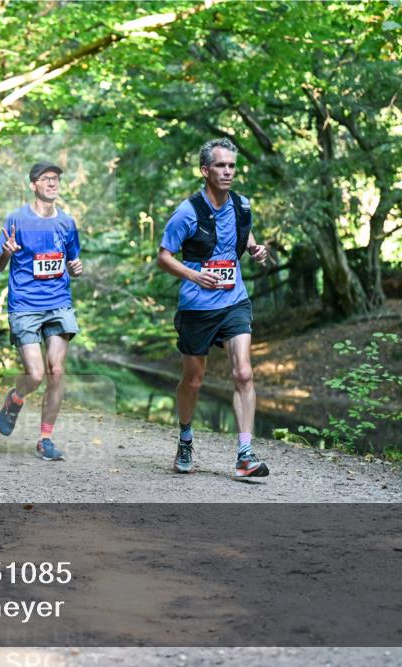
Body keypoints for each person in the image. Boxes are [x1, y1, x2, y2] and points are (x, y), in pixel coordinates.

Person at [156, 138, 270, 479]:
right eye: (221, 166)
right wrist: (195, 275)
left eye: (232, 166)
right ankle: (186, 438)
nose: (228, 172)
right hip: (197, 306)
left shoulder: (242, 205)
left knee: (244, 373)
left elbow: (244, 236)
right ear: (205, 170)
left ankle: (245, 455)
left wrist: (255, 249)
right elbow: (164, 257)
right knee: (193, 381)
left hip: (234, 299)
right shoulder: (187, 212)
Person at [0, 161, 83, 461]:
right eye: (46, 179)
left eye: (56, 178)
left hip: (58, 303)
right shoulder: (16, 219)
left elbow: (72, 261)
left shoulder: (67, 222)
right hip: (25, 306)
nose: (52, 183)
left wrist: (76, 267)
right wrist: (5, 252)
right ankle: (15, 399)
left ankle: (45, 438)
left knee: (56, 371)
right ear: (33, 185)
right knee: (36, 374)